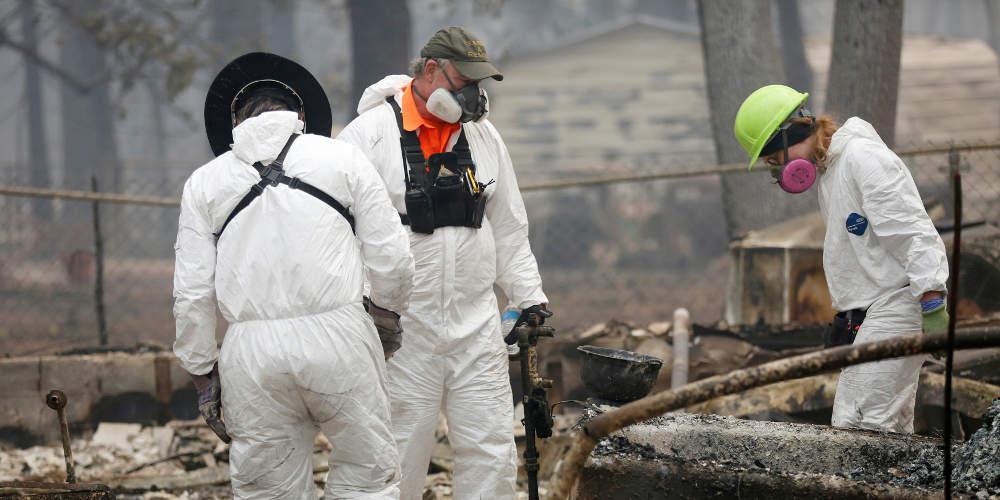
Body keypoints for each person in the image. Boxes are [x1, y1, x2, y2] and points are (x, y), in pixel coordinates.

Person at [173, 52, 414, 498]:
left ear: (234, 121)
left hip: (252, 356)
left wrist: (202, 370)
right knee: (368, 477)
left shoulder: (204, 184)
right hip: (340, 337)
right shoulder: (342, 159)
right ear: (300, 114)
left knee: (268, 489)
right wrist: (385, 316)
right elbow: (392, 256)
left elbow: (191, 293)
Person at [337, 27, 549, 499]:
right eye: (463, 81)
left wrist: (528, 297)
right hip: (399, 330)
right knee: (396, 453)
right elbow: (339, 237)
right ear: (430, 70)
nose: (472, 95)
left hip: (476, 327)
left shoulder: (483, 136)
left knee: (491, 450)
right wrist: (357, 313)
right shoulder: (367, 138)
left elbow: (508, 226)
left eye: (478, 84)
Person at [733, 84, 950, 433]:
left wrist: (933, 302)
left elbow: (912, 232)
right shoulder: (831, 172)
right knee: (870, 424)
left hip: (897, 303)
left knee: (865, 425)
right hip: (875, 310)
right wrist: (849, 315)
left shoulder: (863, 159)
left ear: (791, 135)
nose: (779, 172)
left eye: (775, 161)